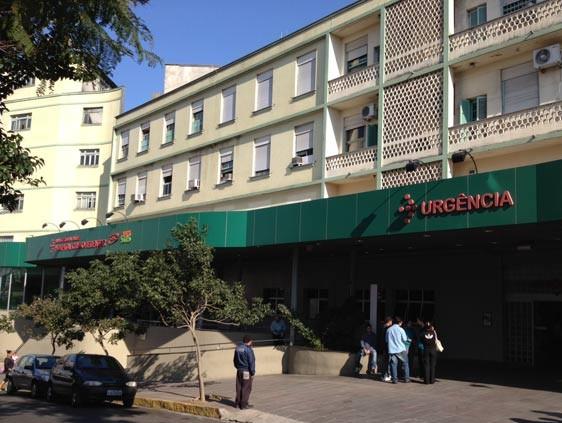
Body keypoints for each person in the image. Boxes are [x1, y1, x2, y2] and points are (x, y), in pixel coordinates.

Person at [385, 317, 410, 384]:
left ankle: (394, 379)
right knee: (405, 364)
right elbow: (405, 339)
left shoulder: (388, 330)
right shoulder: (401, 329)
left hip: (392, 350)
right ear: (399, 323)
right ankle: (406, 379)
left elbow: (386, 340)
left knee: (393, 364)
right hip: (401, 349)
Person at [233, 335, 256, 409]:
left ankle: (237, 403)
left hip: (239, 370)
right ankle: (243, 405)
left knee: (239, 386)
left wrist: (238, 367)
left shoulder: (237, 348)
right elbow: (251, 362)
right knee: (246, 387)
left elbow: (234, 360)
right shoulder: (248, 350)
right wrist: (252, 372)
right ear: (250, 341)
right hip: (246, 371)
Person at [379, 317, 393, 382]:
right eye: (391, 322)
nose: (392, 323)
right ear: (389, 322)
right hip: (387, 347)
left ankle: (384, 375)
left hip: (384, 347)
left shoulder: (383, 327)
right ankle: (386, 375)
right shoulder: (388, 328)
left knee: (385, 362)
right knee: (387, 362)